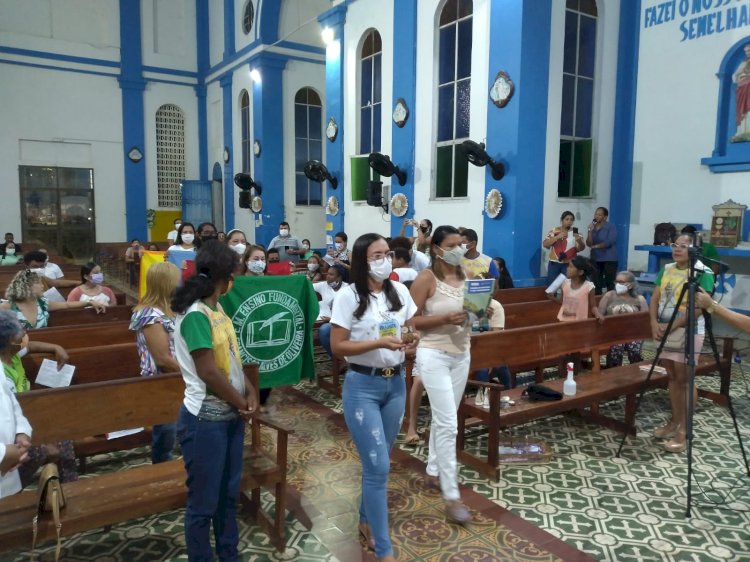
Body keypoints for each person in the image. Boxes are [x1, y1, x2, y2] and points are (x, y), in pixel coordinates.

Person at [330, 233, 417, 561]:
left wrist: (412, 340)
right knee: (379, 466)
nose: (386, 260)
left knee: (378, 461)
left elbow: (409, 329)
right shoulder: (349, 297)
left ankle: (366, 520)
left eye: (388, 254)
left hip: (395, 385)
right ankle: (384, 549)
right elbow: (338, 346)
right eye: (377, 255)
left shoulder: (401, 292)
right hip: (362, 387)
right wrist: (378, 344)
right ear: (362, 260)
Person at [172, 240, 257, 561]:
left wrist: (249, 391)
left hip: (229, 417)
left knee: (228, 496)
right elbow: (208, 371)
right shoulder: (195, 315)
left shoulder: (216, 307)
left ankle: (228, 554)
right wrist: (240, 401)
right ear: (223, 278)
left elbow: (231, 359)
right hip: (204, 422)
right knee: (203, 504)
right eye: (232, 274)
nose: (234, 280)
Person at [409, 225, 473, 525]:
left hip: (462, 353)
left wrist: (479, 313)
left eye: (462, 243)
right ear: (437, 248)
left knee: (443, 416)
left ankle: (433, 471)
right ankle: (452, 495)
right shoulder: (426, 278)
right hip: (433, 354)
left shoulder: (465, 276)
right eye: (453, 244)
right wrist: (443, 318)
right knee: (449, 423)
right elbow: (409, 320)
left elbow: (474, 311)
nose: (460, 248)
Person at [650, 234, 714, 453]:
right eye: (675, 245)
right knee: (672, 377)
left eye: (683, 246)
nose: (677, 249)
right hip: (665, 328)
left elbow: (699, 308)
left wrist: (673, 325)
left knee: (685, 379)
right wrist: (653, 322)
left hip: (689, 331)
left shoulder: (703, 273)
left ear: (695, 250)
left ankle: (684, 431)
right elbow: (655, 297)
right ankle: (673, 422)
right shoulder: (667, 269)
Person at [0, 310, 78, 487]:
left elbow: (32, 346)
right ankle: (17, 491)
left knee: (63, 435)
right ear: (12, 341)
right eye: (22, 332)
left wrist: (56, 348)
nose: (26, 334)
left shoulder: (12, 354)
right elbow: (11, 414)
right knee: (43, 450)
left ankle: (70, 487)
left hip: (27, 419)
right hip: (12, 434)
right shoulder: (3, 374)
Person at [129, 262, 182, 463]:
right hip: (161, 379)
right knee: (167, 430)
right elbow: (162, 359)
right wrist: (194, 373)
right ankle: (161, 467)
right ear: (166, 284)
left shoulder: (172, 310)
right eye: (177, 281)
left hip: (178, 375)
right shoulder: (149, 314)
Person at [1, 270, 107, 329]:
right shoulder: (7, 307)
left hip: (43, 345)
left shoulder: (42, 303)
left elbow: (67, 305)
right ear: (27, 286)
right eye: (39, 283)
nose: (43, 286)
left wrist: (90, 302)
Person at [597, 271, 648, 368]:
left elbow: (644, 320)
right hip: (613, 333)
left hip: (634, 333)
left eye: (621, 282)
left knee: (634, 351)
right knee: (616, 348)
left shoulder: (639, 299)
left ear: (631, 285)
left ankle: (635, 372)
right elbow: (600, 315)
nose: (618, 284)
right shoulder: (609, 295)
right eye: (616, 282)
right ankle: (613, 373)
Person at [548, 255, 601, 323]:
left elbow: (593, 306)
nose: (567, 269)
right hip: (563, 320)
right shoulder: (565, 284)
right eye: (568, 266)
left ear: (580, 272)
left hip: (579, 322)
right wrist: (552, 298)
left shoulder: (589, 286)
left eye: (571, 267)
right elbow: (562, 302)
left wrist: (597, 313)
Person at [314, 264, 348, 359]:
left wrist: (333, 318)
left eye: (331, 274)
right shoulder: (324, 285)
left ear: (339, 277)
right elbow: (308, 286)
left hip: (344, 322)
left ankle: (343, 358)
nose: (327, 276)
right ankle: (337, 358)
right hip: (328, 321)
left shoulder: (348, 288)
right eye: (327, 274)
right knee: (324, 330)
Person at [543, 211, 585, 285]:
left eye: (571, 220)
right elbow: (545, 244)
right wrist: (556, 237)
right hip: (554, 263)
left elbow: (580, 249)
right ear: (561, 220)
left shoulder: (576, 232)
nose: (569, 221)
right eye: (567, 219)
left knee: (568, 286)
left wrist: (579, 241)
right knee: (552, 286)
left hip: (570, 264)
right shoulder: (554, 231)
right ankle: (552, 296)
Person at [586, 207, 618, 294]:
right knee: (595, 282)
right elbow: (589, 243)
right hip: (595, 258)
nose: (597, 216)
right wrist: (589, 231)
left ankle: (610, 300)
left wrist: (596, 246)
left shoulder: (610, 226)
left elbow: (609, 241)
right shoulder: (593, 227)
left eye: (599, 215)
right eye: (596, 214)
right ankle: (597, 300)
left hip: (609, 258)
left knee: (609, 282)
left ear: (605, 217)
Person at [732, 43, 750, 143]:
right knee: (744, 112)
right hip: (743, 89)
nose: (748, 53)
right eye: (746, 51)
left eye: (749, 51)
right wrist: (741, 79)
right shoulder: (743, 63)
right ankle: (742, 132)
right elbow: (735, 75)